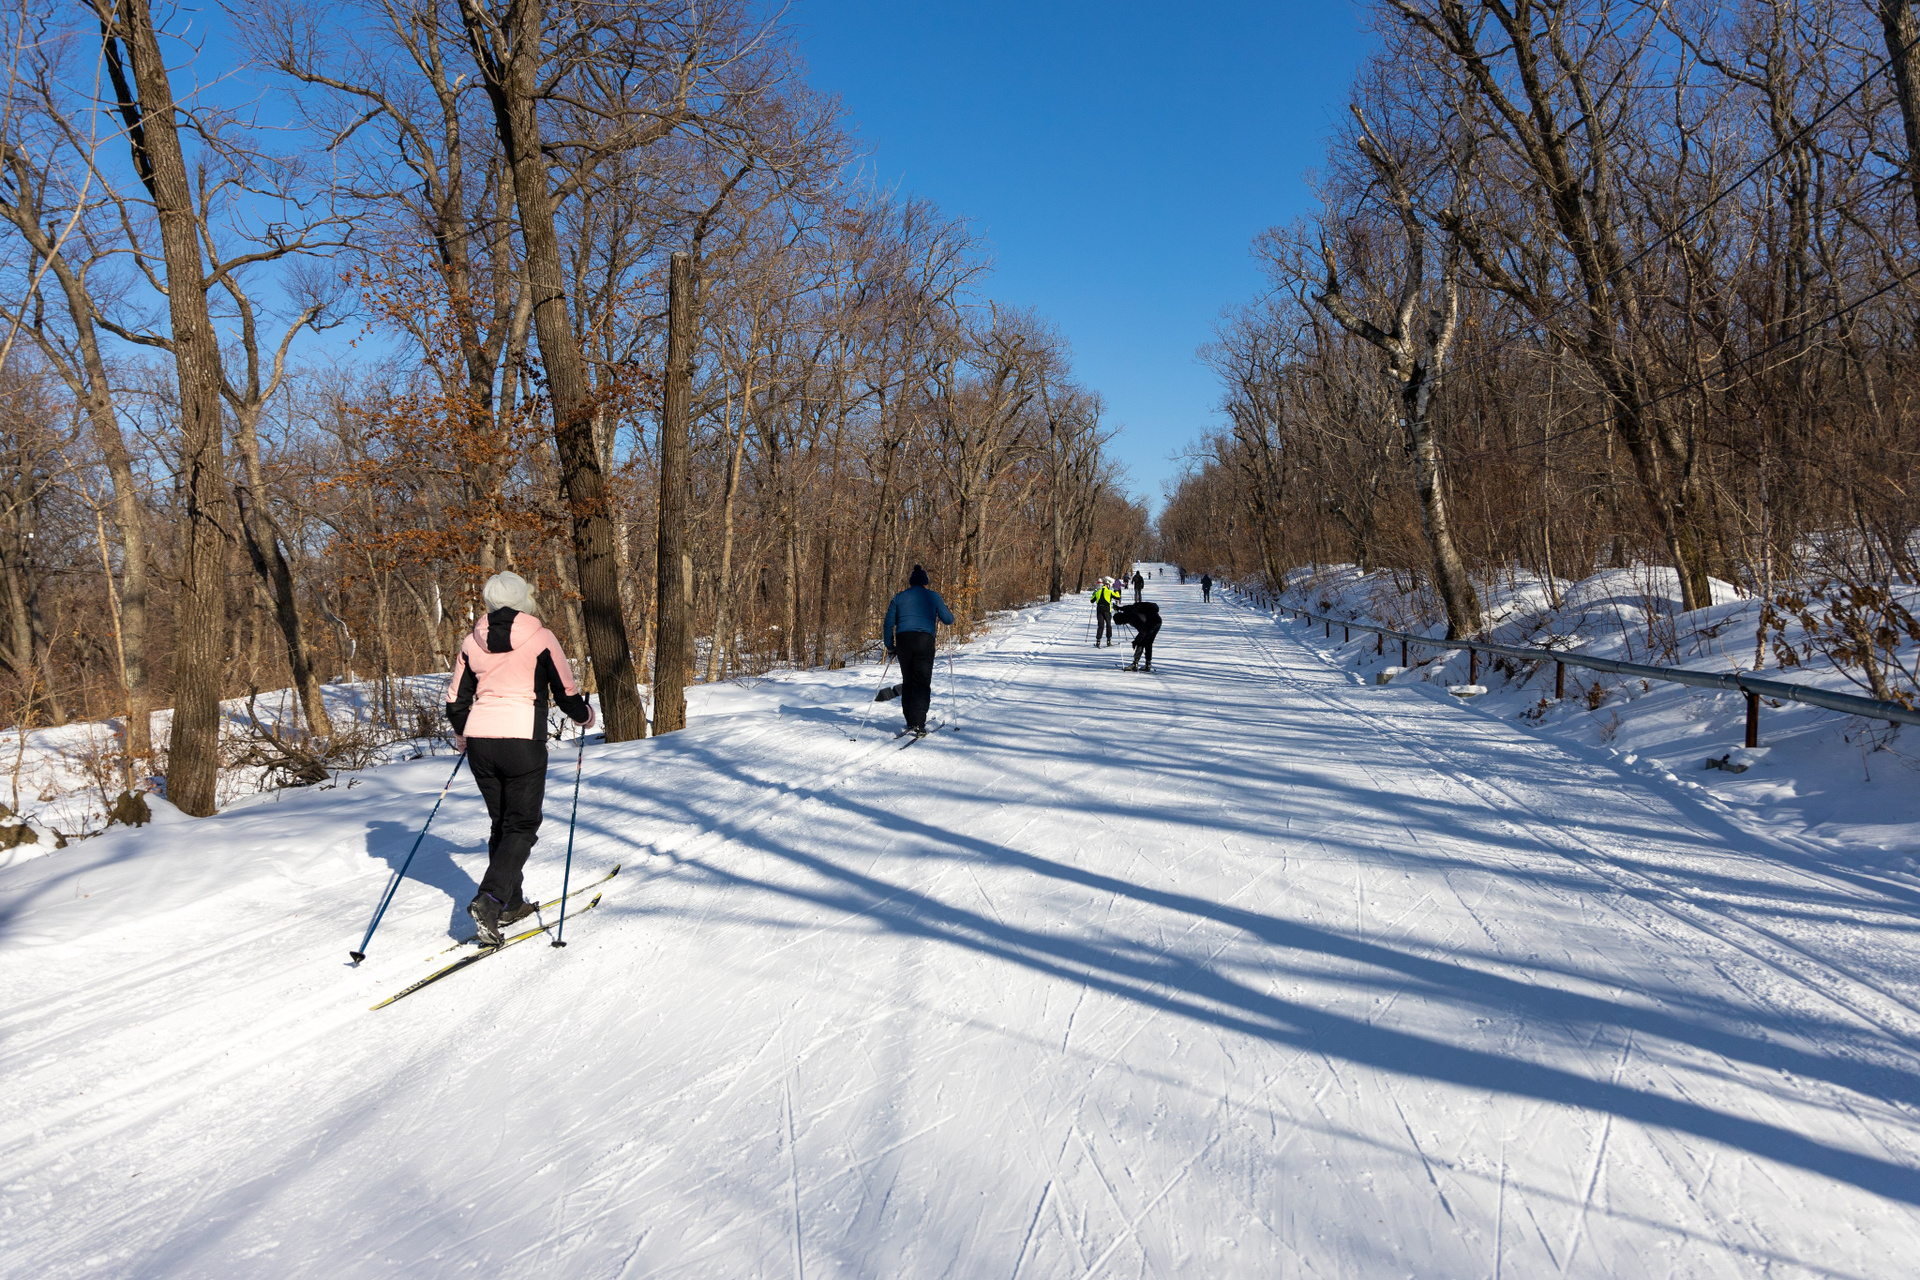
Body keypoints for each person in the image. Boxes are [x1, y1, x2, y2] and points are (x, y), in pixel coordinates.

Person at [445, 571, 596, 946]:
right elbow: (565, 692)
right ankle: (490, 900)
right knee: (522, 825)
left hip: (482, 742)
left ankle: (510, 903)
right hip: (522, 740)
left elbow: (455, 700)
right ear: (523, 599)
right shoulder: (541, 638)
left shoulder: (471, 641)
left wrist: (464, 735)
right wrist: (585, 716)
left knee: (502, 824)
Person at [883, 564, 955, 737]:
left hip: (904, 641)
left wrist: (890, 646)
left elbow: (888, 623)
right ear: (925, 582)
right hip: (924, 640)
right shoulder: (933, 596)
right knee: (922, 681)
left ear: (911, 583)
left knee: (908, 681)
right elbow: (948, 619)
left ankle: (910, 719)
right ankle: (918, 722)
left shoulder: (899, 597)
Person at [1113, 600, 1161, 672]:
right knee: (1148, 642)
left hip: (1152, 623)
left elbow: (1143, 632)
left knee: (1142, 641)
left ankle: (1135, 664)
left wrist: (1136, 641)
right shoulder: (1128, 612)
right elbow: (1130, 607)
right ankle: (1147, 664)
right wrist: (1119, 608)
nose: (1123, 625)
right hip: (1157, 620)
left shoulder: (1133, 618)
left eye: (1121, 623)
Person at [1091, 576, 1120, 647]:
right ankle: (1108, 640)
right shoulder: (1110, 592)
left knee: (1100, 626)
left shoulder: (1098, 592)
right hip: (1107, 611)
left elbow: (1092, 600)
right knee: (1108, 625)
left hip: (1099, 611)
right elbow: (1118, 597)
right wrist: (1117, 591)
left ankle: (1098, 641)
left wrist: (1094, 594)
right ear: (1108, 586)